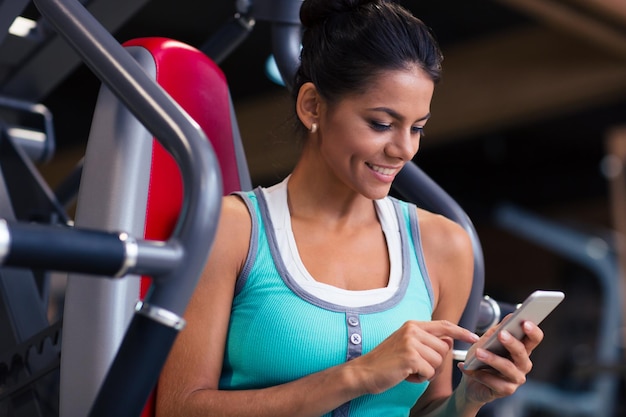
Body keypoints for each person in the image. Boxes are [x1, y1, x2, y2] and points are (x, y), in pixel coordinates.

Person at [156, 0, 544, 415]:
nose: (404, 150)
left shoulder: (444, 245)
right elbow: (180, 408)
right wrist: (358, 375)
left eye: (417, 128)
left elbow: (428, 407)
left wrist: (471, 397)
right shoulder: (232, 230)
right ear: (312, 107)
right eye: (381, 124)